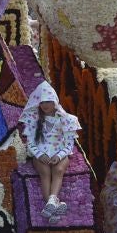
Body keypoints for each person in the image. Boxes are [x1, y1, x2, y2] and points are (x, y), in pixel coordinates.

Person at [19, 82, 80, 218]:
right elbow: (30, 143)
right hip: (40, 154)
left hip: (60, 153)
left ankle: (52, 201)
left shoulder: (66, 120)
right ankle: (53, 205)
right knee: (45, 173)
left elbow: (69, 144)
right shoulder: (34, 120)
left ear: (55, 101)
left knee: (59, 170)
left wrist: (59, 156)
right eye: (41, 102)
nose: (44, 105)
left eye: (48, 101)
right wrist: (40, 155)